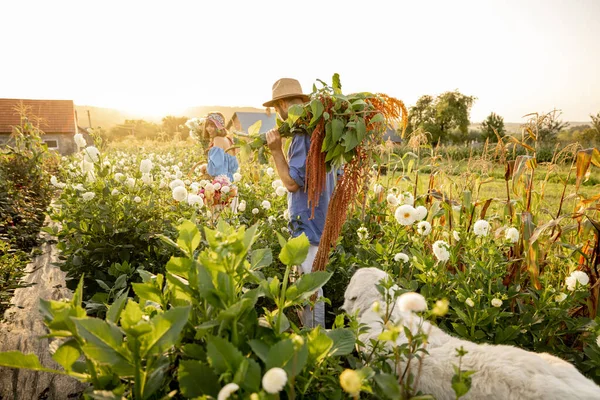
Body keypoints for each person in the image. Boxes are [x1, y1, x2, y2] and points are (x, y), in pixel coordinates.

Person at [264, 78, 336, 329]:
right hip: (319, 218)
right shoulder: (323, 131)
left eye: (276, 108)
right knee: (307, 284)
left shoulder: (302, 135)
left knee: (311, 288)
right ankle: (310, 338)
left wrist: (275, 150)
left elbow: (293, 183)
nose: (277, 113)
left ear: (282, 104)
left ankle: (315, 344)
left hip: (308, 220)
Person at [192, 112, 239, 181]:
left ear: (218, 127)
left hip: (221, 183)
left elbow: (215, 170)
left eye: (212, 126)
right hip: (229, 181)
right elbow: (232, 166)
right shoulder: (227, 139)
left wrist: (205, 166)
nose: (208, 129)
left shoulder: (218, 139)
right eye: (207, 125)